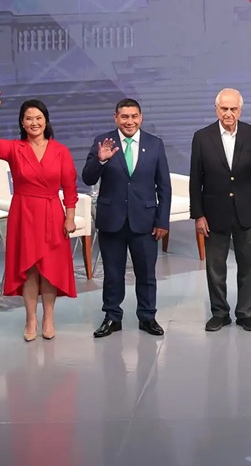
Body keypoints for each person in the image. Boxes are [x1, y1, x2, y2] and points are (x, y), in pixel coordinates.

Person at [0, 88, 78, 341]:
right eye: (29, 118)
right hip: (24, 214)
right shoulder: (15, 149)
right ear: (22, 123)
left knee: (50, 269)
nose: (34, 123)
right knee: (30, 268)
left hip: (52, 213)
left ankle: (48, 317)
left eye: (38, 118)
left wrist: (69, 217)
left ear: (46, 120)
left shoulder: (60, 151)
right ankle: (31, 318)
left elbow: (70, 187)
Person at [190, 88, 251, 332]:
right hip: (214, 213)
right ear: (216, 109)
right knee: (215, 269)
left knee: (247, 268)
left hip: (248, 212)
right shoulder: (202, 137)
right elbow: (195, 180)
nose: (229, 113)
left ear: (240, 110)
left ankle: (245, 312)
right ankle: (219, 313)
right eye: (224, 109)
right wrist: (198, 215)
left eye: (233, 109)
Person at [82, 98, 171, 339]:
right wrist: (101, 160)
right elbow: (88, 178)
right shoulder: (103, 142)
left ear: (141, 117)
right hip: (112, 220)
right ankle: (112, 317)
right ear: (116, 118)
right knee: (113, 274)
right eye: (124, 117)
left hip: (145, 221)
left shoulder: (155, 144)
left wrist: (162, 221)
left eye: (134, 116)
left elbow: (164, 186)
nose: (129, 121)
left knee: (146, 273)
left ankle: (147, 317)